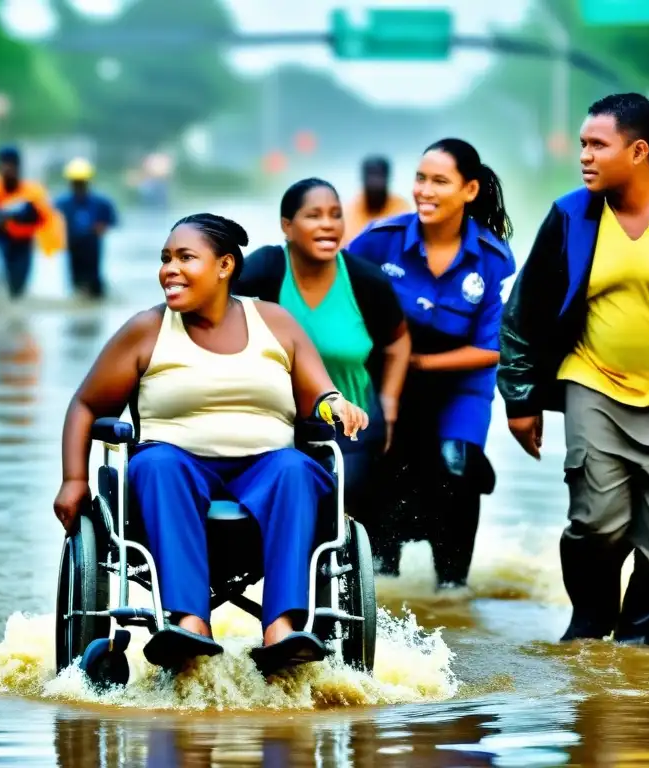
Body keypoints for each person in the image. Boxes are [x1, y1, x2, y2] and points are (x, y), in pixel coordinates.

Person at [52, 213, 368, 673]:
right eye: (165, 259)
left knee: (296, 468)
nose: (169, 270)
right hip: (173, 474)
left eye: (185, 258)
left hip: (266, 473)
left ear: (224, 266)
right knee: (158, 464)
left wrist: (335, 407)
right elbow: (85, 404)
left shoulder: (275, 323)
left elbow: (319, 395)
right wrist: (73, 478)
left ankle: (281, 629)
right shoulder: (147, 329)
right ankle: (188, 623)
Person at [498, 93, 649, 645]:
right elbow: (523, 311)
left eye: (598, 145)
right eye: (583, 144)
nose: (584, 155)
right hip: (594, 383)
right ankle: (589, 630)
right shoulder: (571, 216)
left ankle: (639, 641)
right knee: (597, 522)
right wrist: (519, 400)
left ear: (638, 151)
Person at [348, 138, 516, 589]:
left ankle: (452, 590)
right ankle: (377, 582)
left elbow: (493, 346)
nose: (425, 190)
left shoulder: (494, 259)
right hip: (386, 378)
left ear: (470, 190)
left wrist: (420, 360)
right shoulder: (378, 242)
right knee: (377, 467)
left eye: (440, 181)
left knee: (456, 469)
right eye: (420, 178)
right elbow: (332, 293)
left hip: (459, 385)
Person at [234, 177, 411, 524]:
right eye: (314, 215)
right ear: (287, 226)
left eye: (335, 215)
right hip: (277, 421)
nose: (328, 224)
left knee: (341, 507)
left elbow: (398, 341)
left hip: (351, 425)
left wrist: (388, 403)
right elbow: (215, 308)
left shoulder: (366, 280)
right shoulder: (266, 269)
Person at [0, 145, 64, 298]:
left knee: (17, 286)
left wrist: (24, 214)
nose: (7, 169)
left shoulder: (32, 192)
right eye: (3, 164)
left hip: (22, 244)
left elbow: (47, 218)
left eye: (11, 165)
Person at [55, 157, 118, 299]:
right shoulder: (62, 202)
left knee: (94, 279)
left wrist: (102, 226)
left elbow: (112, 220)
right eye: (75, 183)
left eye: (81, 183)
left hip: (92, 245)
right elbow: (51, 223)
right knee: (75, 281)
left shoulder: (101, 202)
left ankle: (97, 295)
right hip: (72, 244)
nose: (78, 186)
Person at [343, 156, 412, 245]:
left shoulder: (402, 209)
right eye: (371, 176)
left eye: (379, 176)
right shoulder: (348, 212)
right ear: (362, 179)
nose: (375, 183)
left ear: (388, 178)